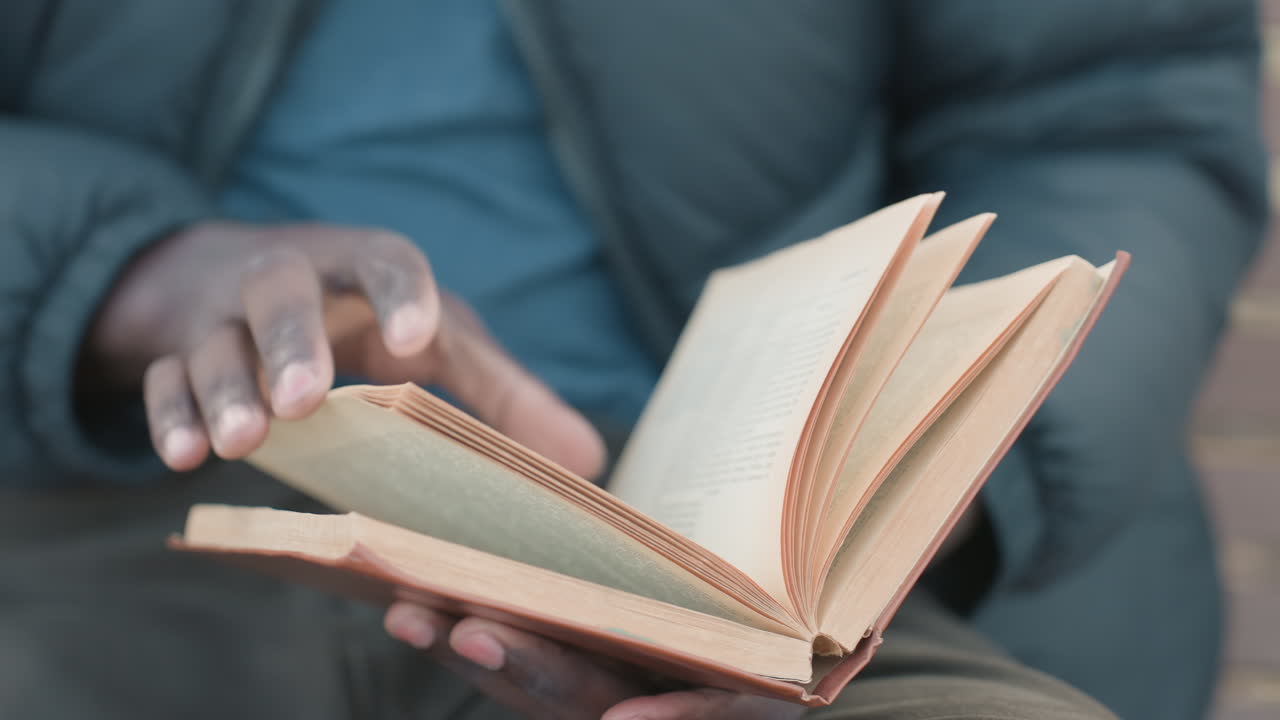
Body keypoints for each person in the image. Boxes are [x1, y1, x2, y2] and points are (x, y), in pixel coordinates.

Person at [0, 1, 1265, 718]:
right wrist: (115, 275)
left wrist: (901, 478)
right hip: (117, 497)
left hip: (767, 551)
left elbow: (1108, 111)